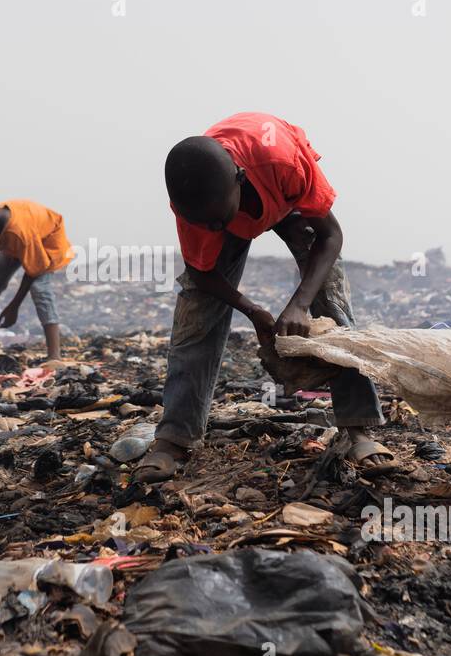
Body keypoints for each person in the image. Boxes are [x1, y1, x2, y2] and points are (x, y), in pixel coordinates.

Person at [133, 112, 394, 481]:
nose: (213, 229)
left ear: (238, 181)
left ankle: (358, 428)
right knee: (195, 315)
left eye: (218, 219)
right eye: (205, 223)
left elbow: (331, 237)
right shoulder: (195, 204)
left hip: (282, 199)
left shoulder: (283, 162)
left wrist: (299, 304)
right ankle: (174, 437)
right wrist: (254, 311)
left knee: (330, 301)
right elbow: (203, 274)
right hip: (231, 199)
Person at [0, 200, 72, 362]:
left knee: (40, 289)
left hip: (47, 240)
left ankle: (54, 355)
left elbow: (33, 271)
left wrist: (13, 307)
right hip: (17, 241)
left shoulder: (21, 235)